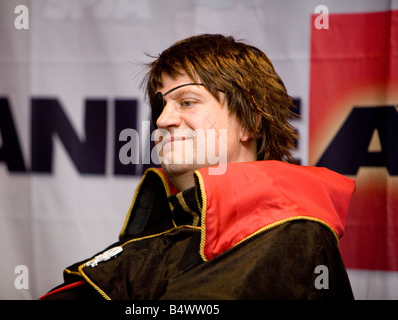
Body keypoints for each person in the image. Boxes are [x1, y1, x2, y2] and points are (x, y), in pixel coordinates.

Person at [39, 34, 355, 300]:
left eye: (187, 102)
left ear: (249, 122)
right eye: (161, 105)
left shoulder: (290, 232)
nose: (162, 120)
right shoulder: (167, 222)